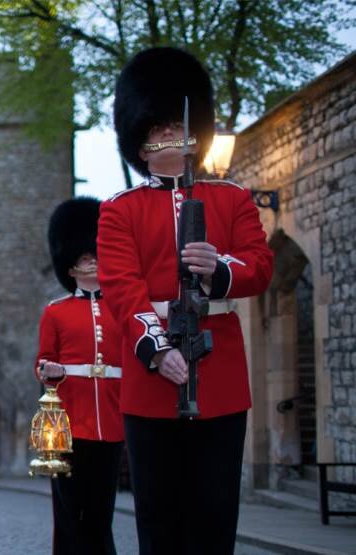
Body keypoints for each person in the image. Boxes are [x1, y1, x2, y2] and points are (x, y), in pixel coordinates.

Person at [97, 47, 273, 554]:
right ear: (140, 142)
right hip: (152, 376)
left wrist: (218, 269)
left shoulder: (232, 198)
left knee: (216, 511)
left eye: (175, 125)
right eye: (154, 130)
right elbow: (121, 287)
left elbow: (260, 266)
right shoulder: (119, 211)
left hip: (219, 373)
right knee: (158, 513)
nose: (166, 137)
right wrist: (157, 348)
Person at [35, 197, 124, 555]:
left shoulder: (122, 307)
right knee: (69, 511)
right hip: (68, 423)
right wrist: (50, 371)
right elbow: (43, 361)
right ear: (70, 266)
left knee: (102, 510)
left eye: (95, 254)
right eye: (83, 256)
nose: (91, 260)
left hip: (112, 419)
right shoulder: (55, 312)